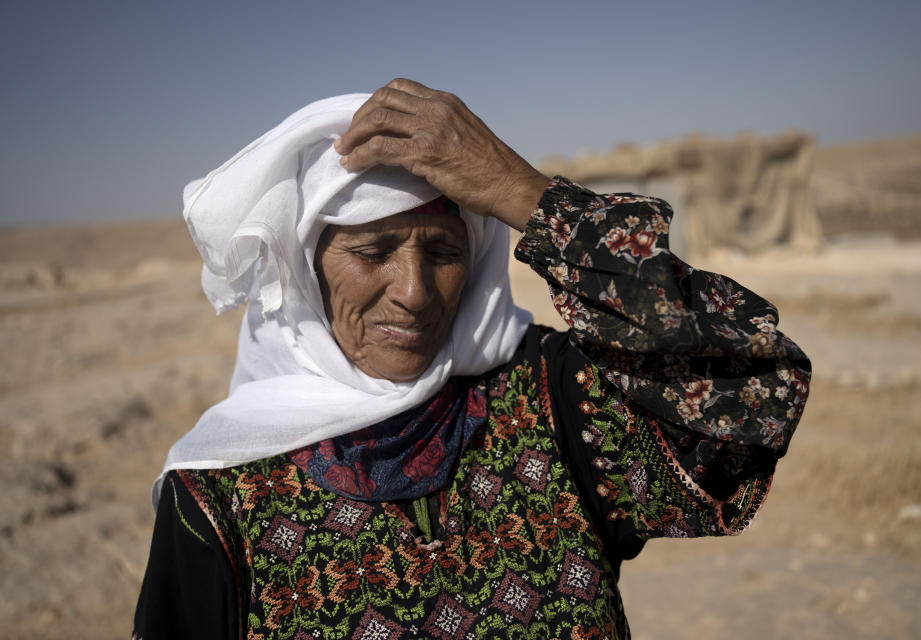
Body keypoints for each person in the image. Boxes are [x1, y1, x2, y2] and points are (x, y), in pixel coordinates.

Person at [133, 79, 810, 639]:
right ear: (308, 271)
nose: (415, 292)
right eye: (372, 253)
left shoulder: (546, 402)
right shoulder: (222, 494)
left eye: (445, 253)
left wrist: (526, 196)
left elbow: (754, 389)